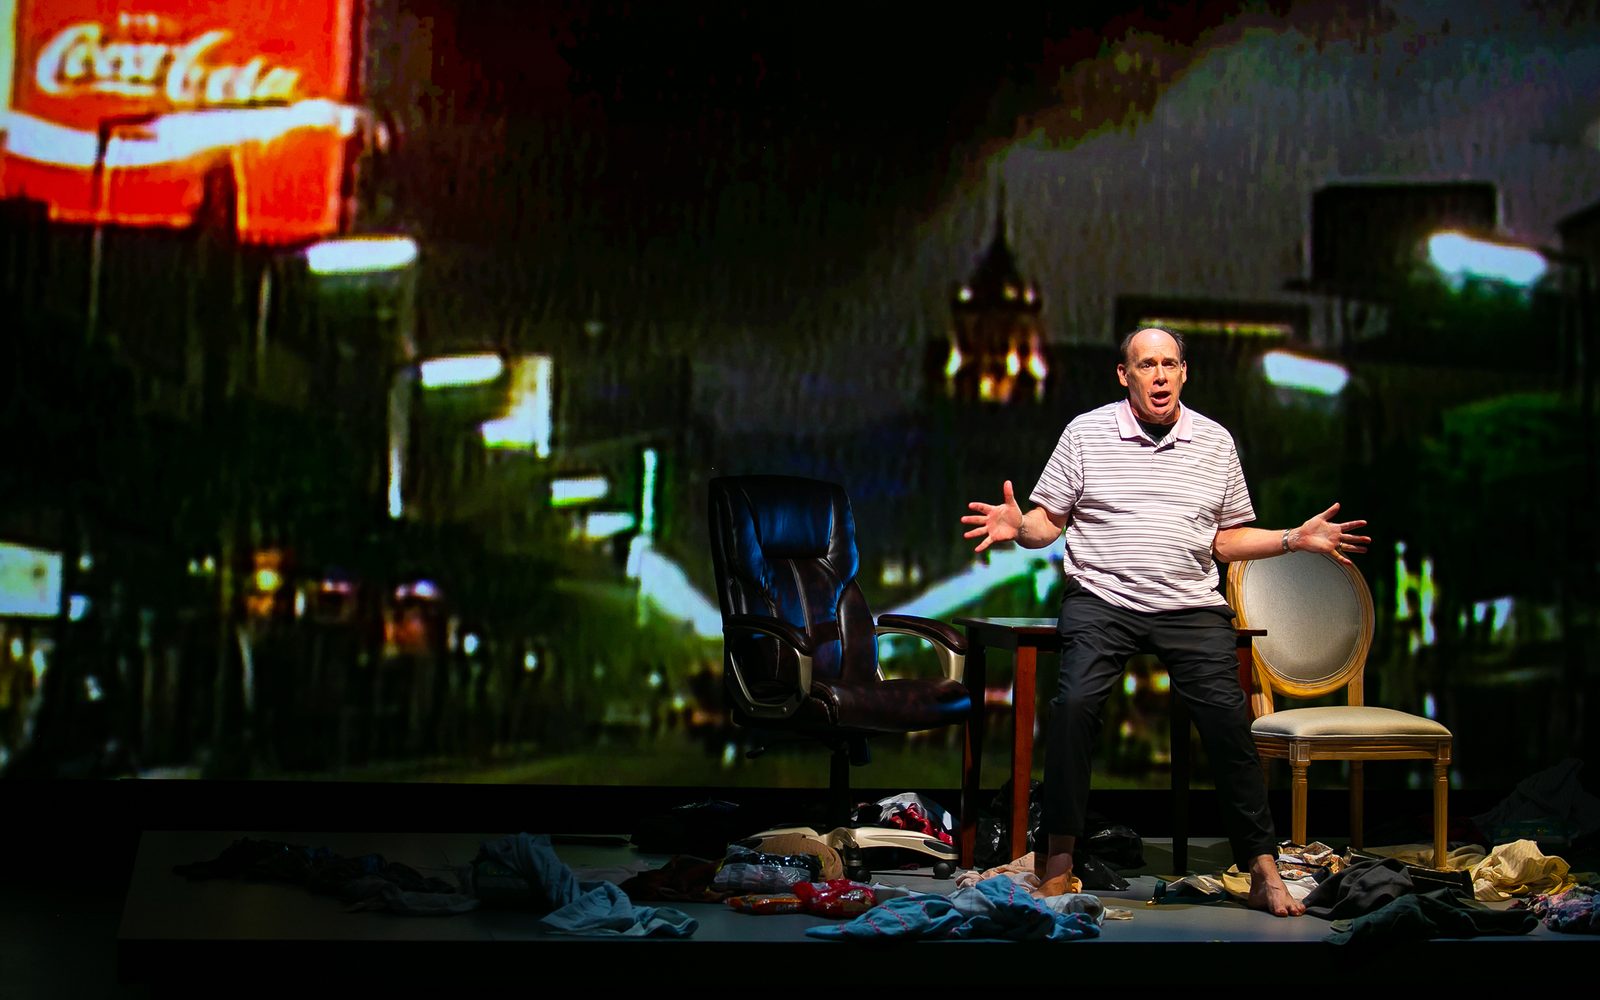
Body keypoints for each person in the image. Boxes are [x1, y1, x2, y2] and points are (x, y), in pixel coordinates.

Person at [960, 327, 1370, 917]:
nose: (1159, 375)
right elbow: (1048, 524)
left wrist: (1291, 538)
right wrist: (1018, 526)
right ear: (1123, 375)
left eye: (1169, 364)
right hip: (1103, 599)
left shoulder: (1214, 442)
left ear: (1184, 373)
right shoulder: (1086, 433)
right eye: (1146, 364)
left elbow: (1226, 539)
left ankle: (1262, 868)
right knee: (1073, 705)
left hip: (1189, 604)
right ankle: (1057, 865)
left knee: (1231, 719)